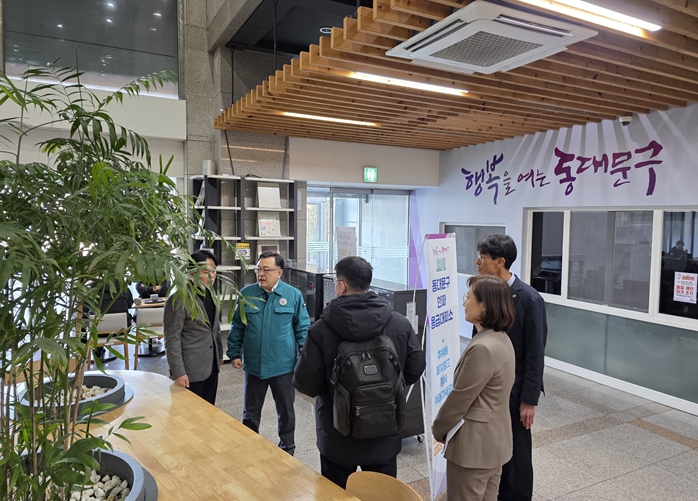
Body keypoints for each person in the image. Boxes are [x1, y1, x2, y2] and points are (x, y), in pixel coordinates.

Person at [292, 256, 426, 488]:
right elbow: (415, 369)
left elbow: (306, 383)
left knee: (337, 493)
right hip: (385, 430)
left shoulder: (321, 330)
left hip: (337, 433)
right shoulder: (399, 323)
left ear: (342, 286)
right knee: (382, 493)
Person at [474, 235, 547, 501]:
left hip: (515, 394)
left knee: (517, 456)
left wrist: (529, 400)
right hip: (488, 390)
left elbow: (536, 353)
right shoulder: (485, 293)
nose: (477, 262)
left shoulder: (529, 299)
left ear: (500, 262)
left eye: (482, 258)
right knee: (493, 449)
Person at [432, 275, 516, 501]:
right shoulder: (501, 339)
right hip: (495, 443)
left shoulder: (483, 349)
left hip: (474, 448)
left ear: (484, 306)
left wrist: (439, 429)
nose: (463, 303)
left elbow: (460, 399)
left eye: (468, 297)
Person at [227, 251, 310, 455]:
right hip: (254, 365)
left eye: (266, 270)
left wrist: (305, 360)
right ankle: (249, 447)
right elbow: (237, 326)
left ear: (279, 272)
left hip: (283, 365)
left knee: (286, 411)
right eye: (258, 270)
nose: (260, 274)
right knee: (250, 412)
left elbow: (303, 329)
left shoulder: (293, 295)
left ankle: (287, 449)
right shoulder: (247, 294)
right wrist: (234, 353)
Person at [163, 249, 223, 405]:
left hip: (211, 366)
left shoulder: (211, 294)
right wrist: (178, 372)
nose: (211, 276)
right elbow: (172, 338)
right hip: (190, 370)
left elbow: (214, 328)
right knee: (191, 413)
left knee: (209, 410)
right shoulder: (179, 298)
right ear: (191, 272)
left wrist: (219, 354)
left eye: (214, 271)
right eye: (205, 272)